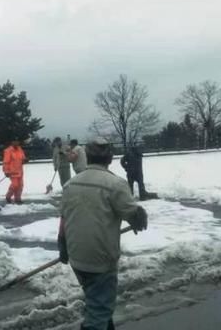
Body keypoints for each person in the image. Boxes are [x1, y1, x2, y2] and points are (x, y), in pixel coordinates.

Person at [58, 138, 148, 330]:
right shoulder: (115, 184)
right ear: (110, 158)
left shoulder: (70, 184)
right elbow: (132, 213)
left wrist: (62, 244)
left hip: (76, 255)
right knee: (100, 309)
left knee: (96, 299)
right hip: (100, 259)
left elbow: (64, 218)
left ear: (88, 157)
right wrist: (139, 217)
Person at [3, 139, 27, 204]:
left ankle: (18, 199)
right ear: (12, 142)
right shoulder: (8, 151)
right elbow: (6, 162)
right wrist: (6, 171)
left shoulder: (20, 149)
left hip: (20, 171)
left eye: (17, 141)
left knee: (20, 185)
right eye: (14, 141)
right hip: (12, 171)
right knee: (15, 185)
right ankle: (8, 196)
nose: (16, 143)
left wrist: (25, 160)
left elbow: (23, 158)